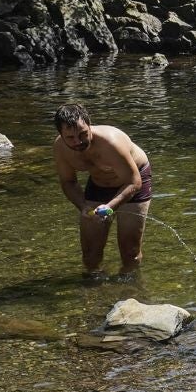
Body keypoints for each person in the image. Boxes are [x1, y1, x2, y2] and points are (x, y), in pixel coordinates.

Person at [51, 102, 154, 276]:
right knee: (90, 254)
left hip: (133, 182)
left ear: (90, 126)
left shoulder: (111, 143)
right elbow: (68, 182)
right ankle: (95, 290)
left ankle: (131, 288)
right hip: (99, 184)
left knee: (130, 251)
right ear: (61, 134)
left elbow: (134, 182)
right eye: (70, 137)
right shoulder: (61, 148)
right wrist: (83, 205)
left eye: (83, 134)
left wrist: (110, 207)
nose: (78, 142)